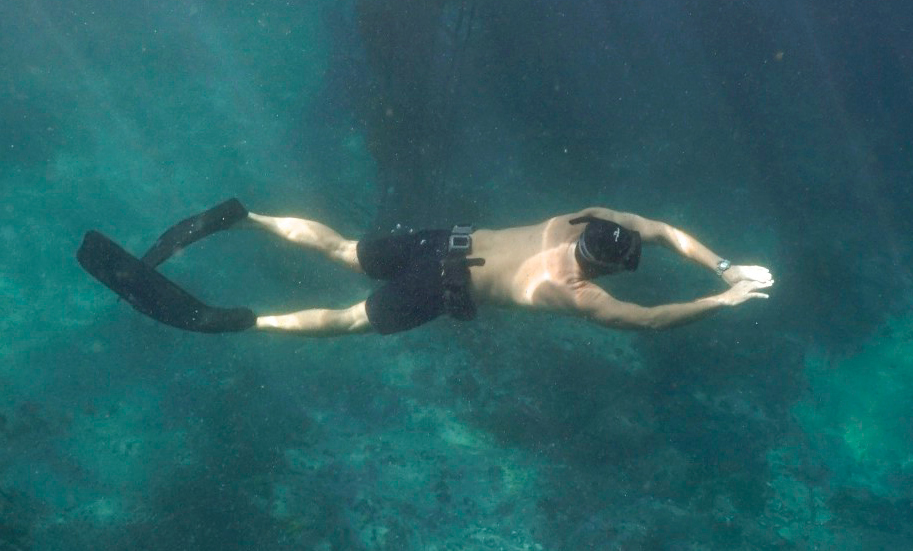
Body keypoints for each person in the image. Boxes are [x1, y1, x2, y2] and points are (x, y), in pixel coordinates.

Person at [76, 198, 774, 338]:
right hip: (440, 286)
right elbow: (649, 321)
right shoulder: (572, 291)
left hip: (441, 239)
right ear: (607, 268)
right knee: (350, 319)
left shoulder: (582, 216)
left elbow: (661, 229)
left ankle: (246, 217)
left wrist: (723, 264)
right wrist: (724, 298)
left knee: (341, 248)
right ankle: (240, 320)